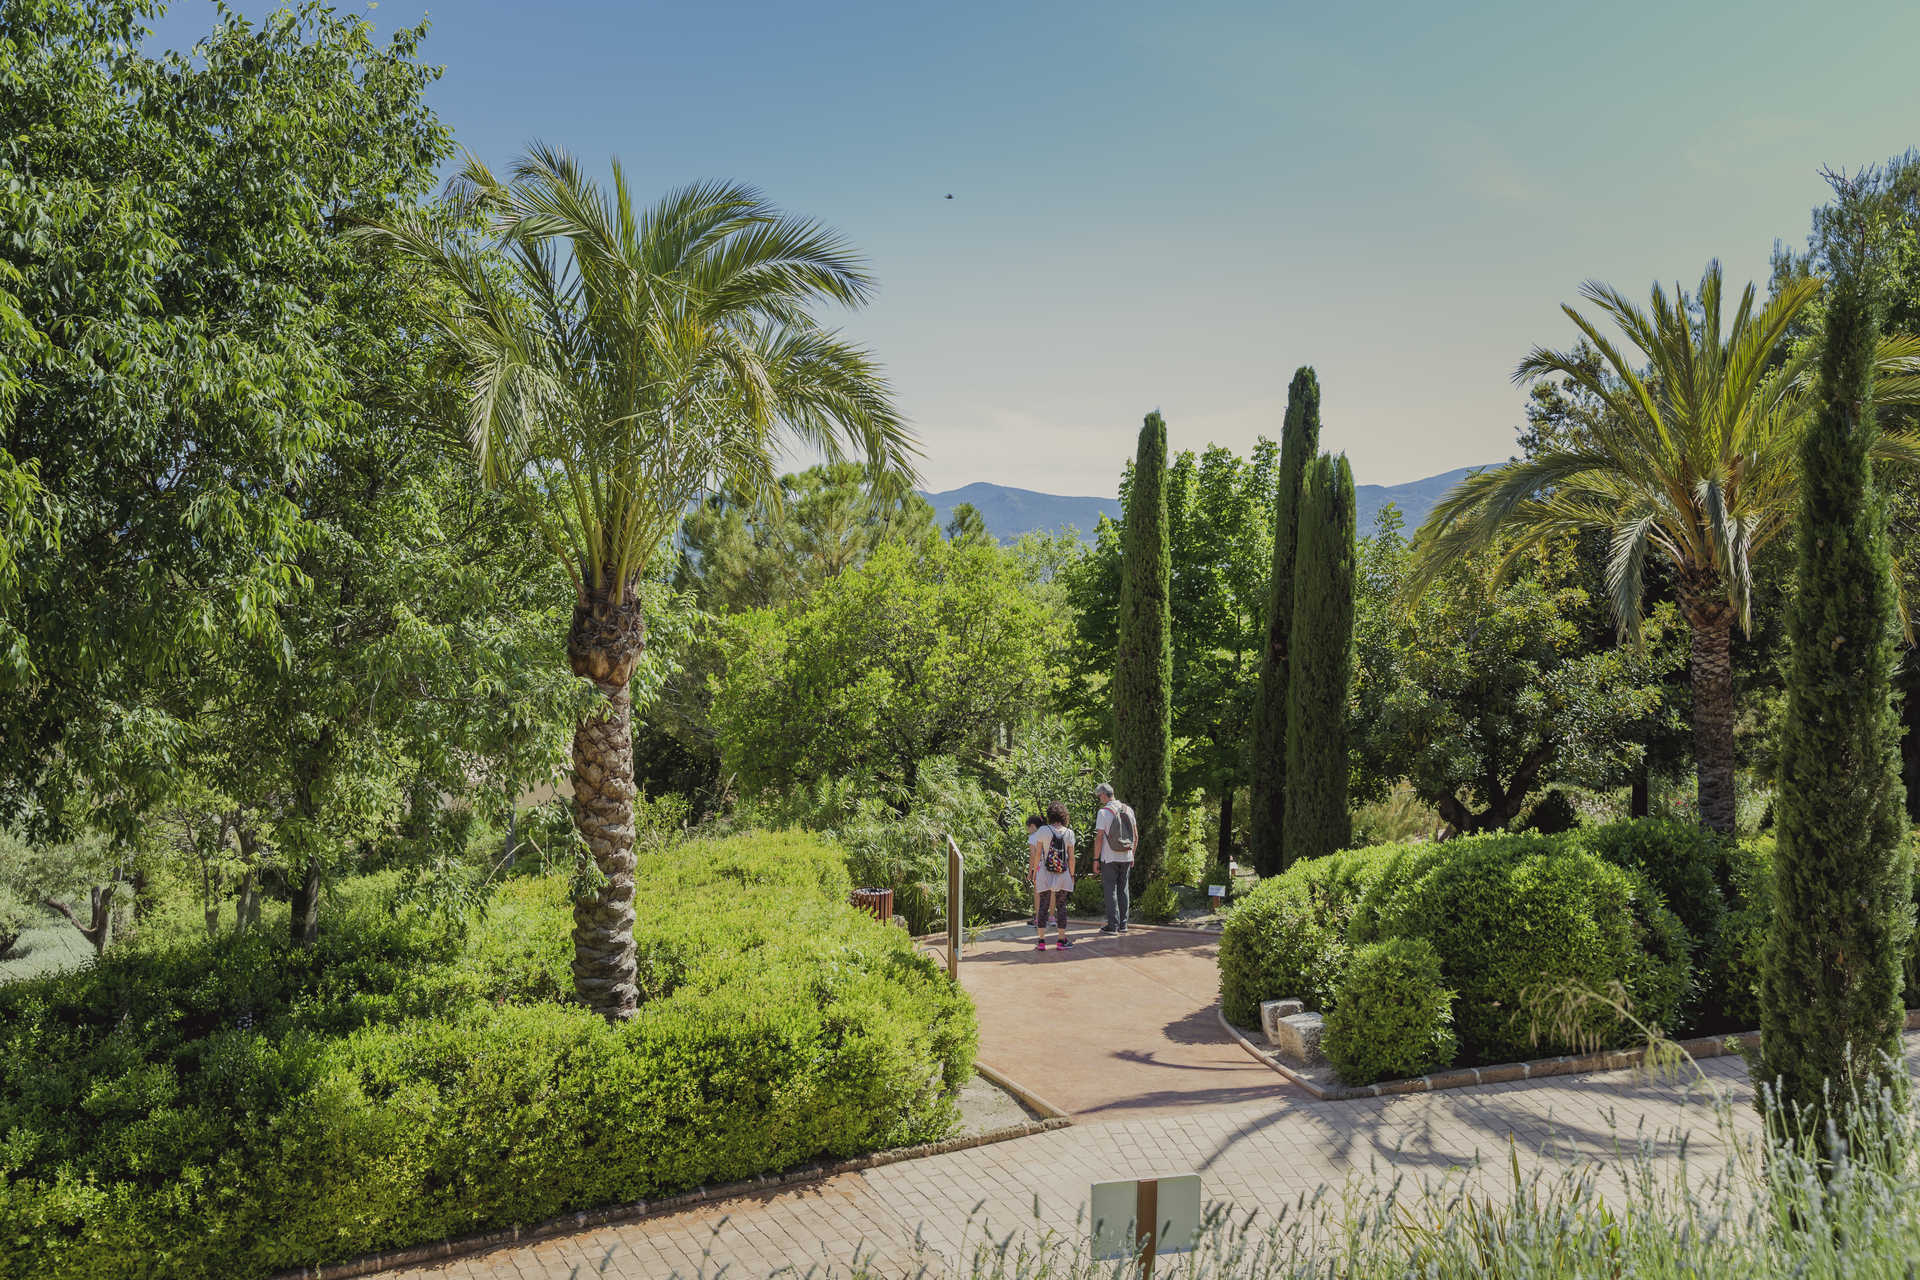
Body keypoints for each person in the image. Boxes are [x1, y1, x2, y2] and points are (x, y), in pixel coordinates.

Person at [1090, 781, 1137, 934]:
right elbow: (1135, 835)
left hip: (1109, 857)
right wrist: (1132, 855)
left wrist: (1095, 860)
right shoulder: (1128, 809)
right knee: (1124, 889)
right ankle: (1123, 925)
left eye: (1099, 796)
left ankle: (1112, 926)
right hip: (1126, 855)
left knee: (1110, 890)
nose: (1099, 799)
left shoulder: (1103, 812)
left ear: (1104, 795)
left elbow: (1099, 838)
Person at [1029, 805, 1075, 950]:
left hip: (1045, 871)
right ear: (1063, 816)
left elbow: (1037, 854)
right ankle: (1061, 940)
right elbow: (1071, 858)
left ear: (1050, 815)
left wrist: (1035, 872)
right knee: (1061, 905)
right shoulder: (1069, 833)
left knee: (1043, 905)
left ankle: (1041, 942)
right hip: (1062, 872)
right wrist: (1072, 875)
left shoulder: (1043, 830)